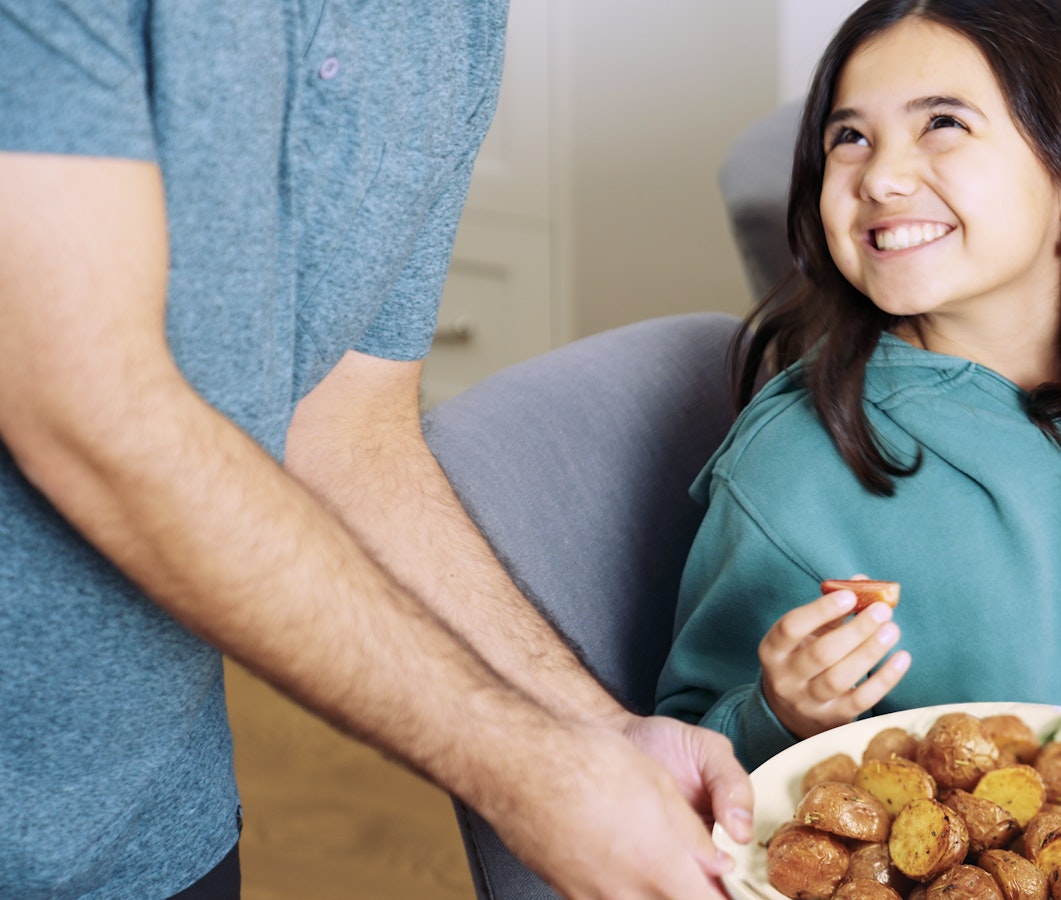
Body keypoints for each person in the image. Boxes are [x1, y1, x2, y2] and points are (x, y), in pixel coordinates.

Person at [0, 3, 751, 898]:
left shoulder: (454, 25)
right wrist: (528, 769)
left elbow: (345, 430)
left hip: (151, 819)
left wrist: (595, 729)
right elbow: (89, 415)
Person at [654, 0, 1061, 771]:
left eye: (942, 123)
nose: (880, 177)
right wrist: (779, 714)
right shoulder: (793, 467)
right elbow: (689, 751)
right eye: (849, 137)